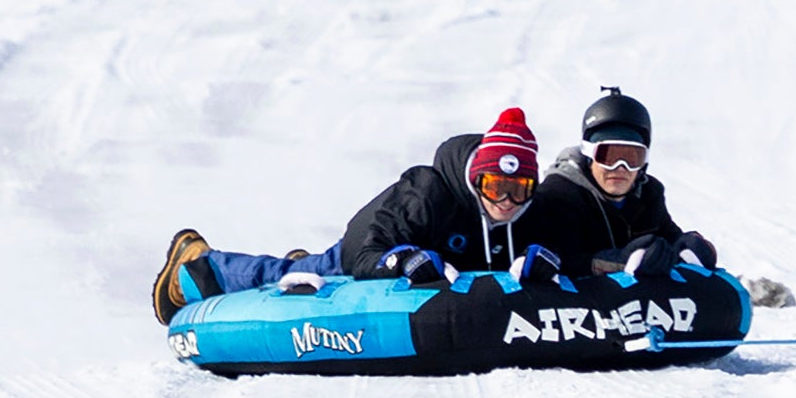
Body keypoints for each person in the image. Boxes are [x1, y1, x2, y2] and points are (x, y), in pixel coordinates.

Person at [152, 107, 550, 321]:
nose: (508, 202)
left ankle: (295, 260)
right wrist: (402, 258)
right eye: (496, 187)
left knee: (307, 265)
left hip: (424, 272)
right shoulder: (428, 195)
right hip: (367, 248)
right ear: (477, 179)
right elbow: (365, 254)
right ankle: (199, 268)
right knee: (307, 277)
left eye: (519, 190)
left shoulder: (530, 213)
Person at [525, 87, 720, 279]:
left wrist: (689, 245)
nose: (620, 168)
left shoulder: (648, 194)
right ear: (589, 154)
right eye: (608, 156)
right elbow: (559, 260)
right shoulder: (560, 196)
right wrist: (620, 262)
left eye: (632, 157)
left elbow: (669, 237)